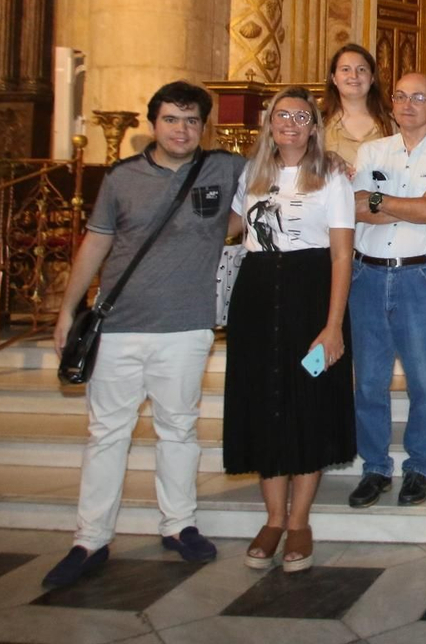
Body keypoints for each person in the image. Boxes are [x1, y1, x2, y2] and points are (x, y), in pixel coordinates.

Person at [43, 82, 244, 589]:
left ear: (205, 125)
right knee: (106, 434)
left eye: (193, 120)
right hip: (120, 327)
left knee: (177, 430)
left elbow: (273, 193)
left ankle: (178, 525)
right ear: (152, 124)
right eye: (173, 119)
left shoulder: (224, 168)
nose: (183, 129)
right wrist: (68, 308)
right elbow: (95, 244)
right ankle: (90, 539)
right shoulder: (122, 178)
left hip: (186, 327)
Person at [224, 87, 355, 573]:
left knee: (307, 405)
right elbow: (228, 227)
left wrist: (333, 324)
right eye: (283, 115)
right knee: (265, 402)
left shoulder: (331, 177)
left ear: (314, 127)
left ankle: (299, 520)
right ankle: (272, 517)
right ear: (270, 122)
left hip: (310, 294)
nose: (291, 124)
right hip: (257, 297)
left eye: (302, 116)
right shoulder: (251, 174)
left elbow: (342, 253)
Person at [347, 73, 426, 510]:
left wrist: (381, 201)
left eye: (419, 97)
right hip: (368, 275)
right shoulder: (371, 151)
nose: (408, 103)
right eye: (400, 95)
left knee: (424, 380)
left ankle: (419, 466)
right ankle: (375, 467)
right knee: (370, 382)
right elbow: (355, 206)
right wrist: (408, 203)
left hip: (422, 278)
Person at [321, 43, 395, 174]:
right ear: (334, 78)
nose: (354, 76)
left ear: (372, 78)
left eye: (361, 69)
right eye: (345, 69)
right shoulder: (320, 122)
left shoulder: (392, 122)